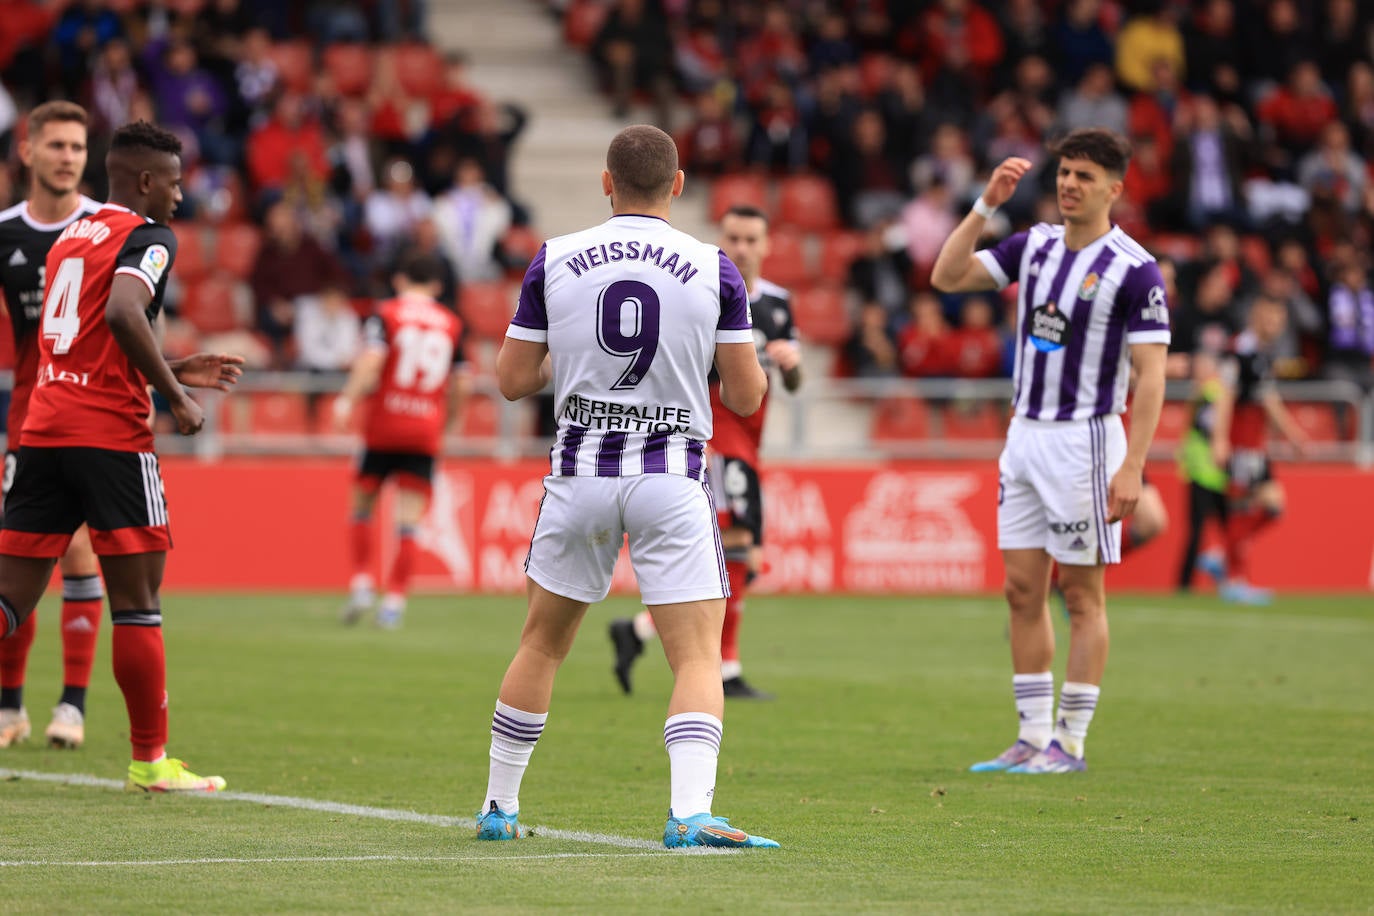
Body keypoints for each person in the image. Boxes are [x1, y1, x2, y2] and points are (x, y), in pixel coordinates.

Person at [475, 125, 776, 849]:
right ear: (677, 185)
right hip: (670, 476)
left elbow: (513, 381)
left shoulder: (556, 258)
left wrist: (570, 365)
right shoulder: (716, 268)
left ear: (606, 183)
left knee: (542, 645)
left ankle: (498, 806)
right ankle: (689, 814)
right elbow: (745, 396)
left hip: (580, 471)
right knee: (699, 656)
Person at [0, 120, 243, 792]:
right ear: (144, 181)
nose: (180, 196)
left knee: (11, 601)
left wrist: (172, 363)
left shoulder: (70, 237)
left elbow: (90, 335)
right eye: (172, 181)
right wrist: (174, 397)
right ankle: (149, 761)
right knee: (136, 602)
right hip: (109, 439)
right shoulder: (148, 235)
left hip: (43, 429)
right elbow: (123, 313)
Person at [931, 128, 1170, 774]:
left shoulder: (1135, 269)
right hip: (1025, 437)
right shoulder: (1033, 245)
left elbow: (1152, 375)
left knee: (1084, 595)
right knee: (1020, 591)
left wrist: (1134, 465)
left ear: (1114, 189)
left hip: (1087, 440)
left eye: (1085, 177)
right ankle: (1032, 737)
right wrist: (985, 205)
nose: (1069, 185)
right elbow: (946, 275)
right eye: (1065, 173)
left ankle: (1071, 742)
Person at [609, 204, 802, 700]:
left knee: (742, 555)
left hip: (750, 439)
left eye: (751, 239)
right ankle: (726, 668)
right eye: (733, 238)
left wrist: (790, 363)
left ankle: (641, 630)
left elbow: (794, 383)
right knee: (736, 545)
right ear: (723, 238)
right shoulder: (702, 289)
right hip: (716, 438)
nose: (741, 248)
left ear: (766, 245)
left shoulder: (779, 304)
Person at [0, 101, 105, 750]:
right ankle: (10, 705)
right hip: (28, 420)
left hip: (96, 421)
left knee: (80, 550)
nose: (68, 157)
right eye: (58, 145)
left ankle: (73, 703)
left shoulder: (108, 228)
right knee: (18, 562)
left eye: (78, 147)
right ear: (28, 151)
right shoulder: (5, 233)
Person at [334, 253, 470, 629]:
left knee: (362, 505)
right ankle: (394, 602)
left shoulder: (387, 313)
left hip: (383, 426)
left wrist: (348, 398)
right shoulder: (453, 324)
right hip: (425, 430)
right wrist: (452, 420)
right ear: (438, 287)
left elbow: (372, 361)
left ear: (399, 280)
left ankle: (362, 582)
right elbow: (462, 381)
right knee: (408, 522)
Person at [1208, 293, 1308, 604]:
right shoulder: (1241, 349)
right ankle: (1235, 580)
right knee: (1242, 510)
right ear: (1255, 315)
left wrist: (1291, 435)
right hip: (1240, 443)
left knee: (1272, 506)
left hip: (1255, 445)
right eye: (1268, 316)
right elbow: (1224, 393)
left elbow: (1267, 399)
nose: (1274, 323)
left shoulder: (1261, 353)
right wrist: (1220, 439)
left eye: (1279, 319)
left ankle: (1218, 555)